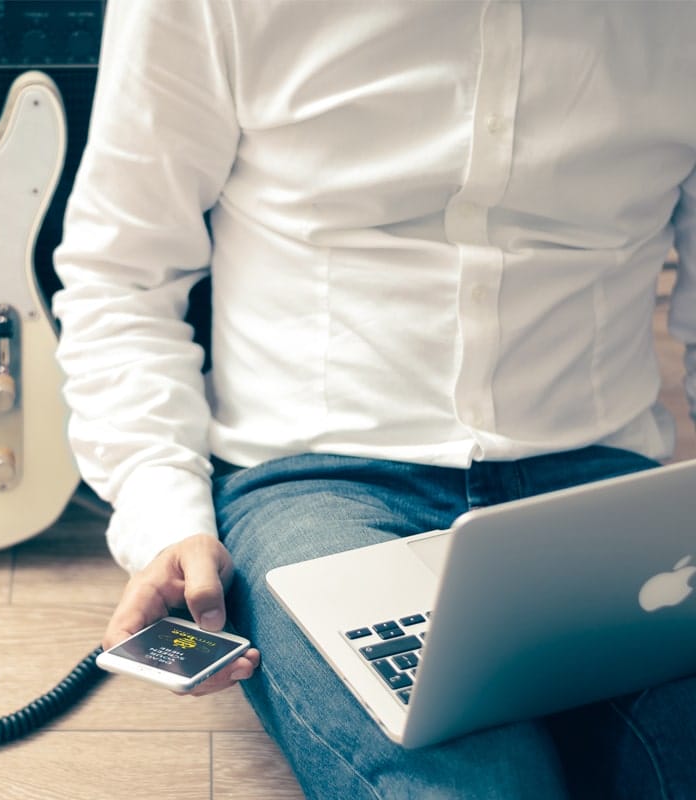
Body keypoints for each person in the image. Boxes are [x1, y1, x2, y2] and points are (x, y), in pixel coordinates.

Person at [52, 2, 696, 797]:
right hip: (318, 489)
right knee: (475, 788)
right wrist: (164, 513)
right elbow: (123, 274)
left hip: (605, 495)